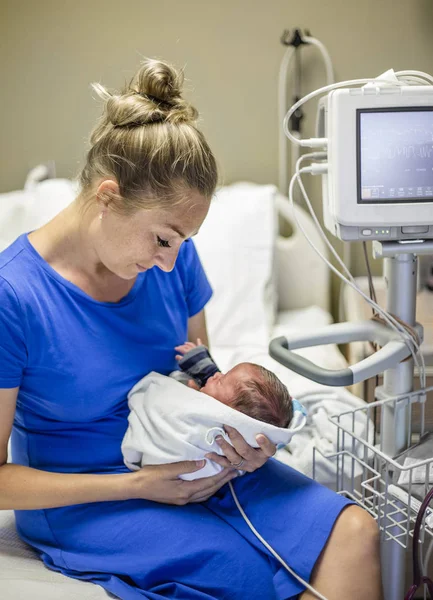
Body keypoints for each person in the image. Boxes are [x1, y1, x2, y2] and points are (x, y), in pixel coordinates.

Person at [0, 58, 383, 600]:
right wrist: (140, 484)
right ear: (108, 197)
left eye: (184, 241)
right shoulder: (13, 297)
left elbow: (198, 371)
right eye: (163, 238)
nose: (171, 262)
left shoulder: (174, 258)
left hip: (190, 458)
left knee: (356, 532)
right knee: (245, 577)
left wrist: (238, 434)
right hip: (89, 497)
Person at [174, 339, 294, 428]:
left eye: (220, 382)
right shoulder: (222, 398)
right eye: (224, 375)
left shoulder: (206, 426)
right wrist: (202, 367)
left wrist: (191, 392)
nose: (217, 375)